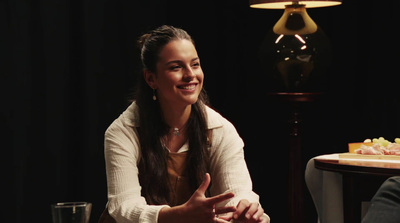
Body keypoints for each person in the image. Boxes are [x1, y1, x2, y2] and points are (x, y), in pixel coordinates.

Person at [99, 25, 270, 223]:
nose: (190, 75)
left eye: (195, 64)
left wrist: (244, 209)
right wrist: (178, 215)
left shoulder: (220, 130)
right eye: (176, 67)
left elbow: (236, 193)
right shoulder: (123, 132)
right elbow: (123, 207)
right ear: (151, 78)